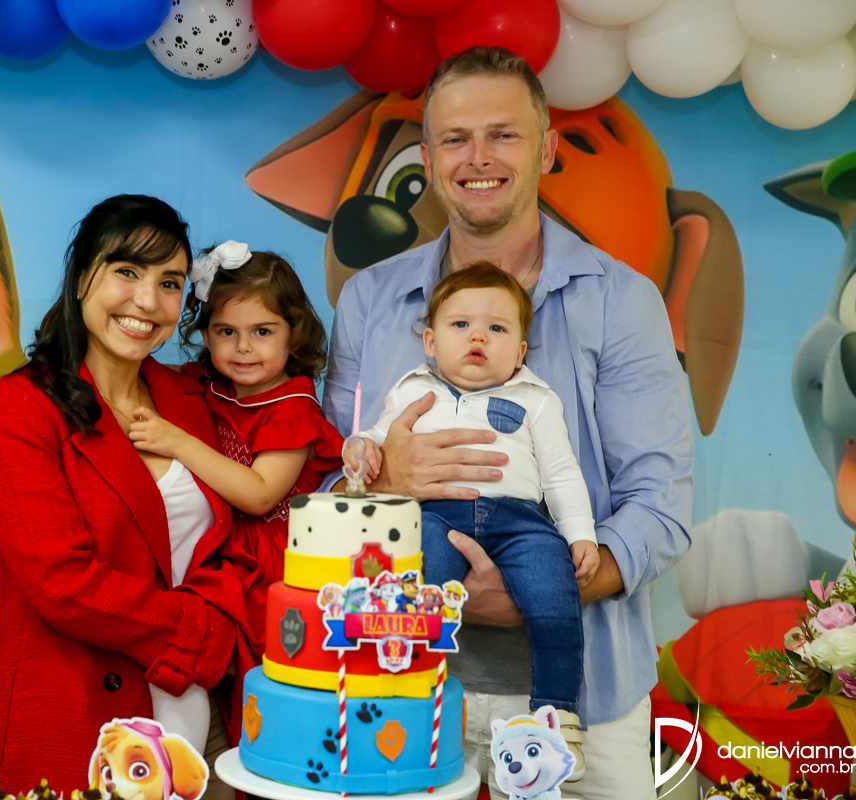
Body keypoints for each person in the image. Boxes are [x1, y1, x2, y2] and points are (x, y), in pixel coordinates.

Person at [322, 47, 693, 800]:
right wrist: (382, 479)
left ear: (547, 149)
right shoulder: (369, 300)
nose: (479, 158)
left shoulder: (621, 301)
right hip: (402, 689)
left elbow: (659, 505)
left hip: (589, 697)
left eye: (504, 135)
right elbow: (326, 479)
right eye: (456, 139)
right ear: (430, 159)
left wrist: (542, 587)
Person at [0, 195, 252, 799]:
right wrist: (208, 636)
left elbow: (241, 529)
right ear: (80, 278)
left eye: (169, 282)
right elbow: (60, 583)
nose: (148, 301)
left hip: (206, 725)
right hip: (80, 719)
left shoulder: (192, 399)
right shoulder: (17, 406)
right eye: (127, 271)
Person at [349, 261, 598, 776]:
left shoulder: (536, 398)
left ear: (521, 353)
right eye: (460, 324)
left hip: (521, 523)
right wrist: (362, 448)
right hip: (437, 516)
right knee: (420, 589)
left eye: (497, 328)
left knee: (555, 596)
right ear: (431, 342)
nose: (478, 336)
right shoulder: (412, 390)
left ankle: (558, 715)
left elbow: (561, 474)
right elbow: (377, 437)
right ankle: (406, 693)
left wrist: (580, 535)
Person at [129, 243, 345, 652]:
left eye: (262, 332)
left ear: (293, 335)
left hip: (272, 565)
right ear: (206, 335)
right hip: (223, 543)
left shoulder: (292, 409)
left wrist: (176, 441)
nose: (243, 347)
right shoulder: (211, 386)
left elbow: (259, 495)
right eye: (227, 332)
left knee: (236, 659)